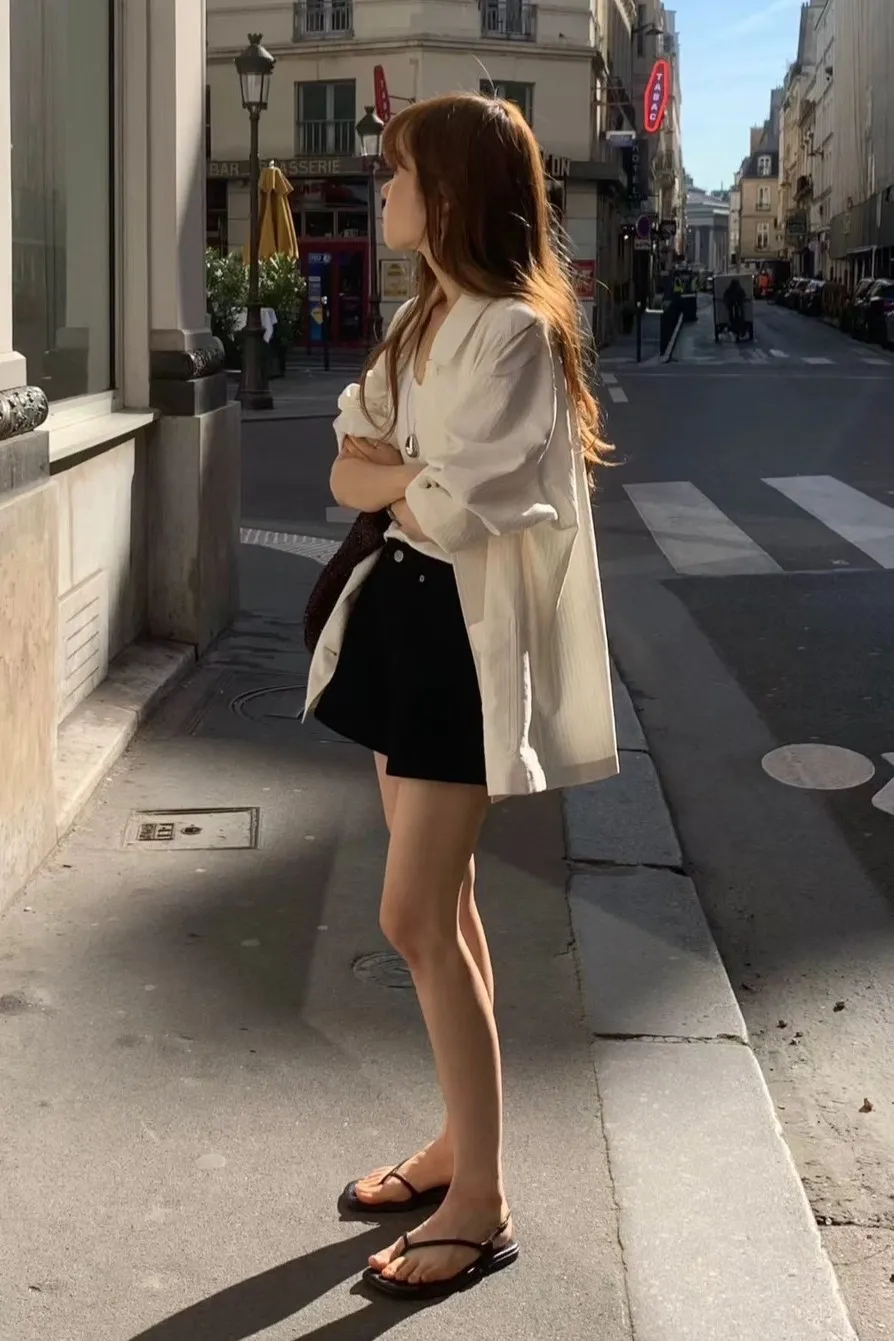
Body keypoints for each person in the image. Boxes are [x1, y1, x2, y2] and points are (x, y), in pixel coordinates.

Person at [305, 91, 618, 1302]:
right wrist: (400, 479)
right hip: (402, 621)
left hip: (457, 641)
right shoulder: (419, 320)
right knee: (451, 910)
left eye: (397, 174)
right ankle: (459, 1149)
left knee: (414, 918)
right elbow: (350, 462)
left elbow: (455, 505)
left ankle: (481, 1205)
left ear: (449, 194)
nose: (380, 189)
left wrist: (398, 480)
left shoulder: (514, 333)